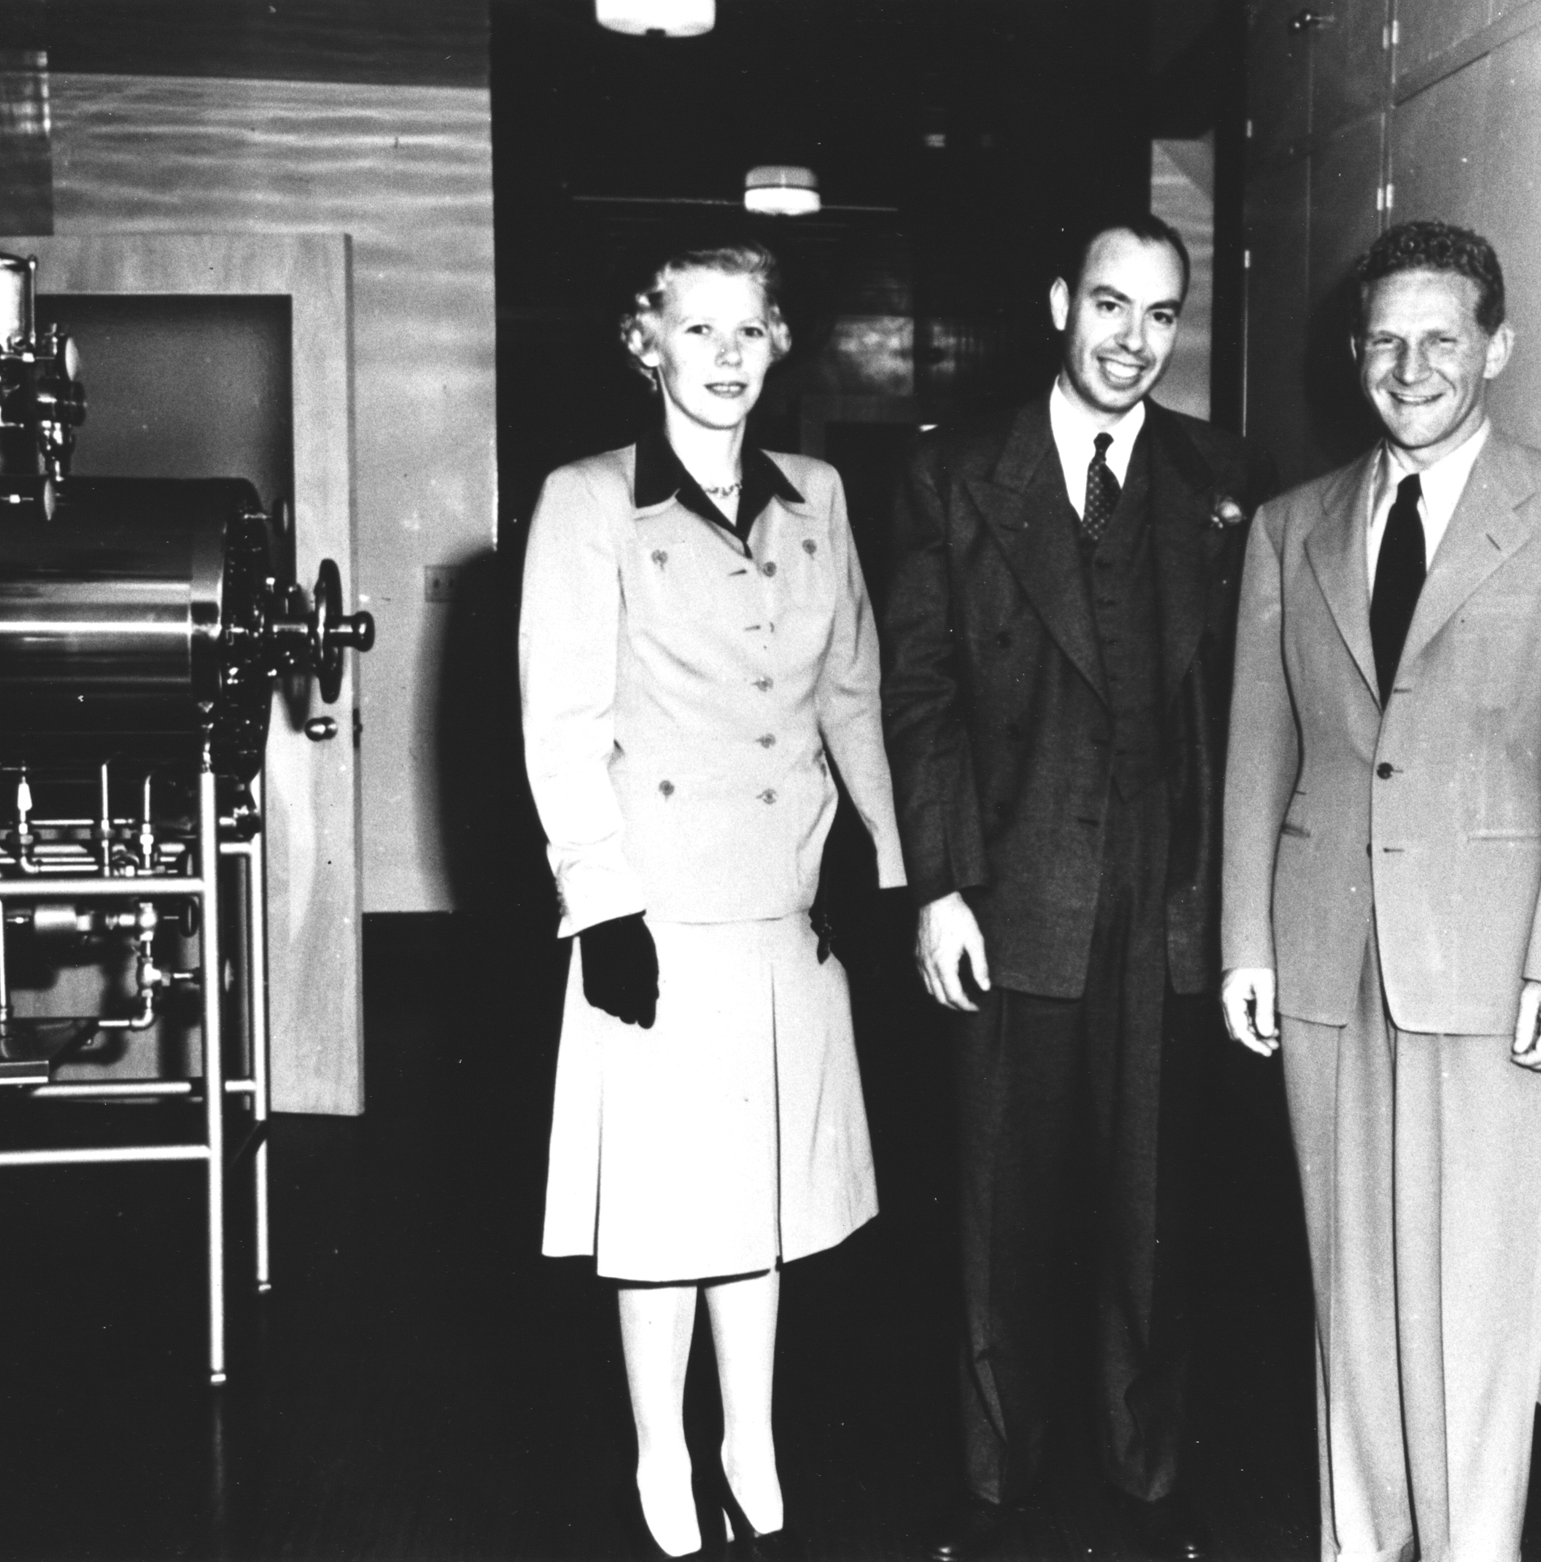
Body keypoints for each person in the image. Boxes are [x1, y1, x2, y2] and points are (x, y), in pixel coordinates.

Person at [1220, 219, 1541, 1562]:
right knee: (1350, 1281)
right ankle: (1361, 1542)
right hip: (1326, 952)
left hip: (1494, 960)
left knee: (1477, 1291)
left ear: (1497, 348)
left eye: (1442, 338)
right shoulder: (1291, 529)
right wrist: (1247, 939)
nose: (1412, 367)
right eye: (1387, 340)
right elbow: (1257, 746)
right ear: (1357, 353)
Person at [880, 216, 1273, 1562]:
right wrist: (941, 885)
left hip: (1161, 904)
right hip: (1010, 900)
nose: (1132, 342)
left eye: (1161, 316)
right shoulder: (952, 475)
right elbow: (919, 695)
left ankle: (1144, 1475)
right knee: (1001, 1214)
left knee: (1152, 1217)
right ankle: (999, 1485)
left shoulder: (1218, 479)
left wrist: (1229, 915)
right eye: (1110, 306)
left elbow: (1237, 714)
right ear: (1061, 302)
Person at [519, 241, 905, 1558]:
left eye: (750, 331)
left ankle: (751, 1433)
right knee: (666, 1210)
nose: (728, 356)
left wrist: (882, 865)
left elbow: (850, 691)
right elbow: (561, 724)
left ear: (777, 343)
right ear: (651, 343)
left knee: (764, 1198)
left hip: (784, 904)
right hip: (659, 916)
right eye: (700, 332)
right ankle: (659, 1450)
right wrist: (602, 903)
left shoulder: (822, 497)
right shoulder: (587, 501)